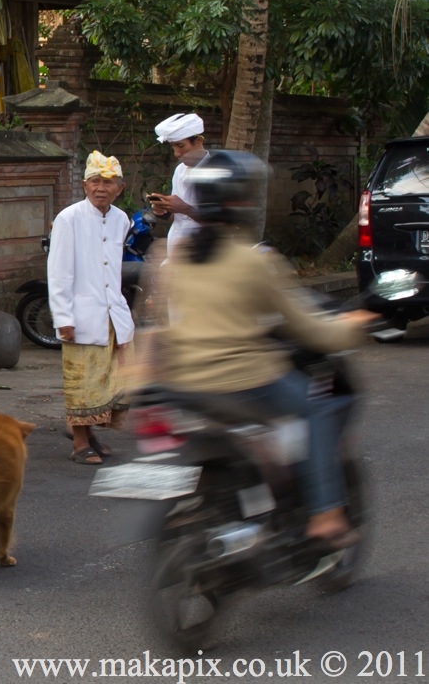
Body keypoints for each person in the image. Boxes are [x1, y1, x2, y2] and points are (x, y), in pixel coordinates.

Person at [155, 150, 371, 547]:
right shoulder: (254, 261)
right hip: (246, 382)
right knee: (317, 410)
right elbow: (306, 327)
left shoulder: (175, 258)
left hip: (185, 381)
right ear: (240, 202)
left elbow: (165, 322)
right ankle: (325, 515)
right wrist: (354, 326)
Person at [48, 151, 135, 465]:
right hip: (81, 316)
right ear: (84, 185)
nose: (102, 188)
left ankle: (87, 432)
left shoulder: (121, 219)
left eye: (109, 182)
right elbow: (59, 272)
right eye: (96, 181)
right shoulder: (69, 218)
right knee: (84, 382)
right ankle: (80, 442)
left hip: (114, 314)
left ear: (120, 188)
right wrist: (63, 317)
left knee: (114, 381)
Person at [149, 113, 209, 251]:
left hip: (203, 252)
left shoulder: (215, 171)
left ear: (198, 141)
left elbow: (220, 222)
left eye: (181, 146)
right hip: (177, 249)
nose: (177, 153)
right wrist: (165, 211)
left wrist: (185, 208)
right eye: (173, 147)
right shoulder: (180, 171)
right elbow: (179, 218)